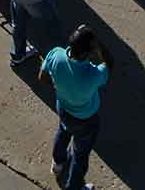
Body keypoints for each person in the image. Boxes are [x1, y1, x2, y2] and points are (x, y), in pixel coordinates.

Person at [40, 26, 109, 190]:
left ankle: (58, 162)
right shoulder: (94, 74)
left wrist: (58, 88)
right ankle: (74, 187)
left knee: (63, 131)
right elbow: (108, 63)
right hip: (86, 119)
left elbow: (42, 77)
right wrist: (98, 46)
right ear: (87, 53)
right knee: (80, 155)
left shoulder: (56, 54)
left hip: (63, 107)